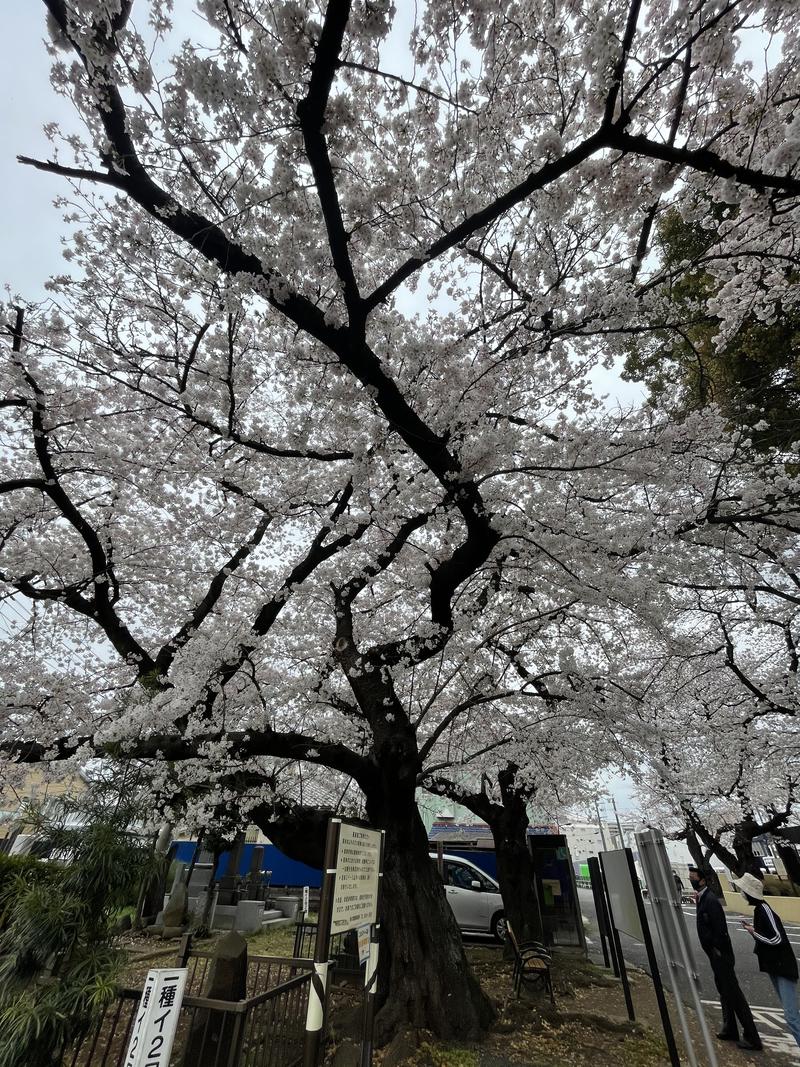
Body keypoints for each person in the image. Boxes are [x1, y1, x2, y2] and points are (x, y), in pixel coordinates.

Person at [688, 866, 762, 1051]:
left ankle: (752, 1036)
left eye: (693, 877)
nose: (691, 880)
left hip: (720, 954)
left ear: (703, 880)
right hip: (715, 954)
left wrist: (716, 949)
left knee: (733, 993)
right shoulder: (702, 898)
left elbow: (720, 930)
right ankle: (730, 1027)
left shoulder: (711, 900)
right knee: (724, 991)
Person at [734, 871, 800, 1049]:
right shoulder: (759, 910)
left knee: (791, 1016)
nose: (741, 894)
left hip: (783, 966)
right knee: (791, 1015)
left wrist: (753, 932)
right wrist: (754, 929)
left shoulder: (764, 909)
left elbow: (777, 938)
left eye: (743, 890)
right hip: (774, 966)